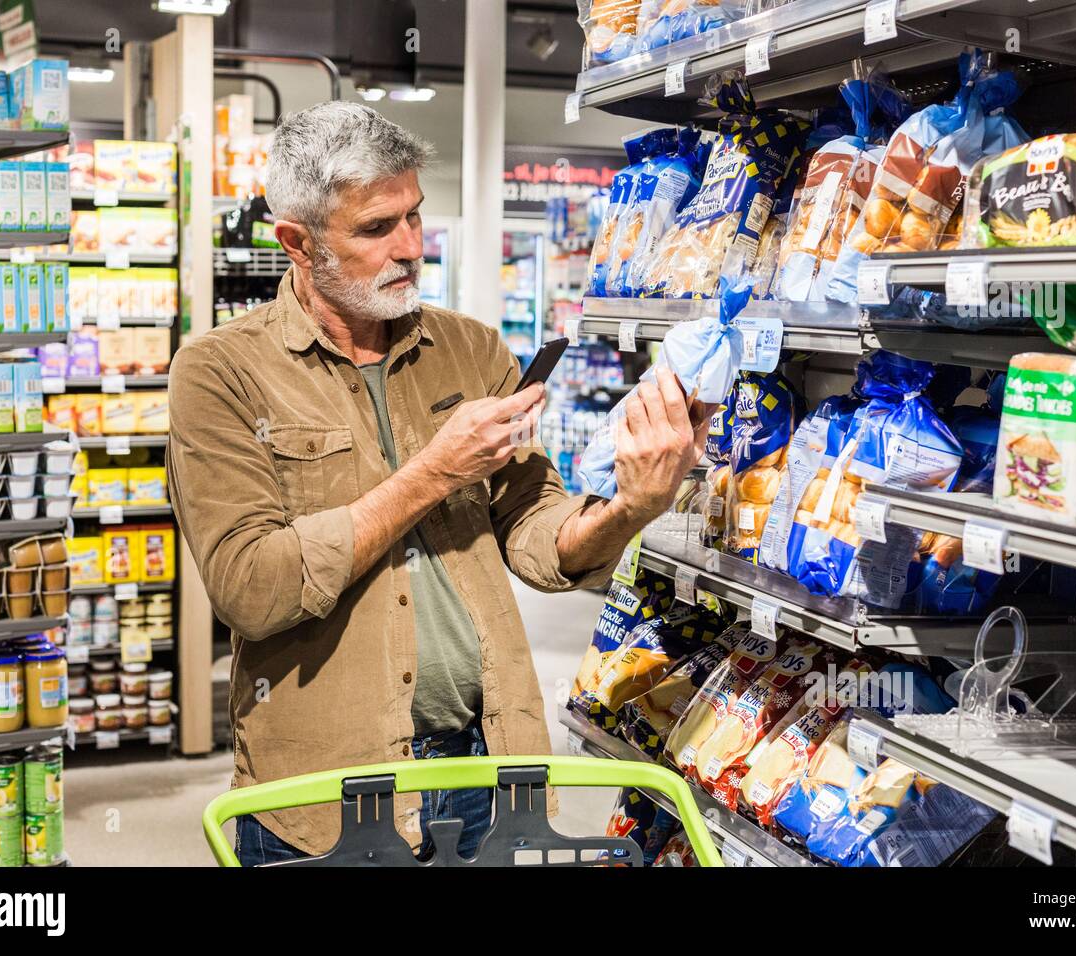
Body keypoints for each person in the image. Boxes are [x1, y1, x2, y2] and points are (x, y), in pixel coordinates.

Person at [167, 102, 708, 865]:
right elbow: (252, 587)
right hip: (328, 795)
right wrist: (436, 471)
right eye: (376, 229)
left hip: (489, 773)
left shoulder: (471, 349)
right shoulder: (221, 373)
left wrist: (632, 504)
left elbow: (534, 533)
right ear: (297, 242)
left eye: (415, 218)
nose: (411, 247)